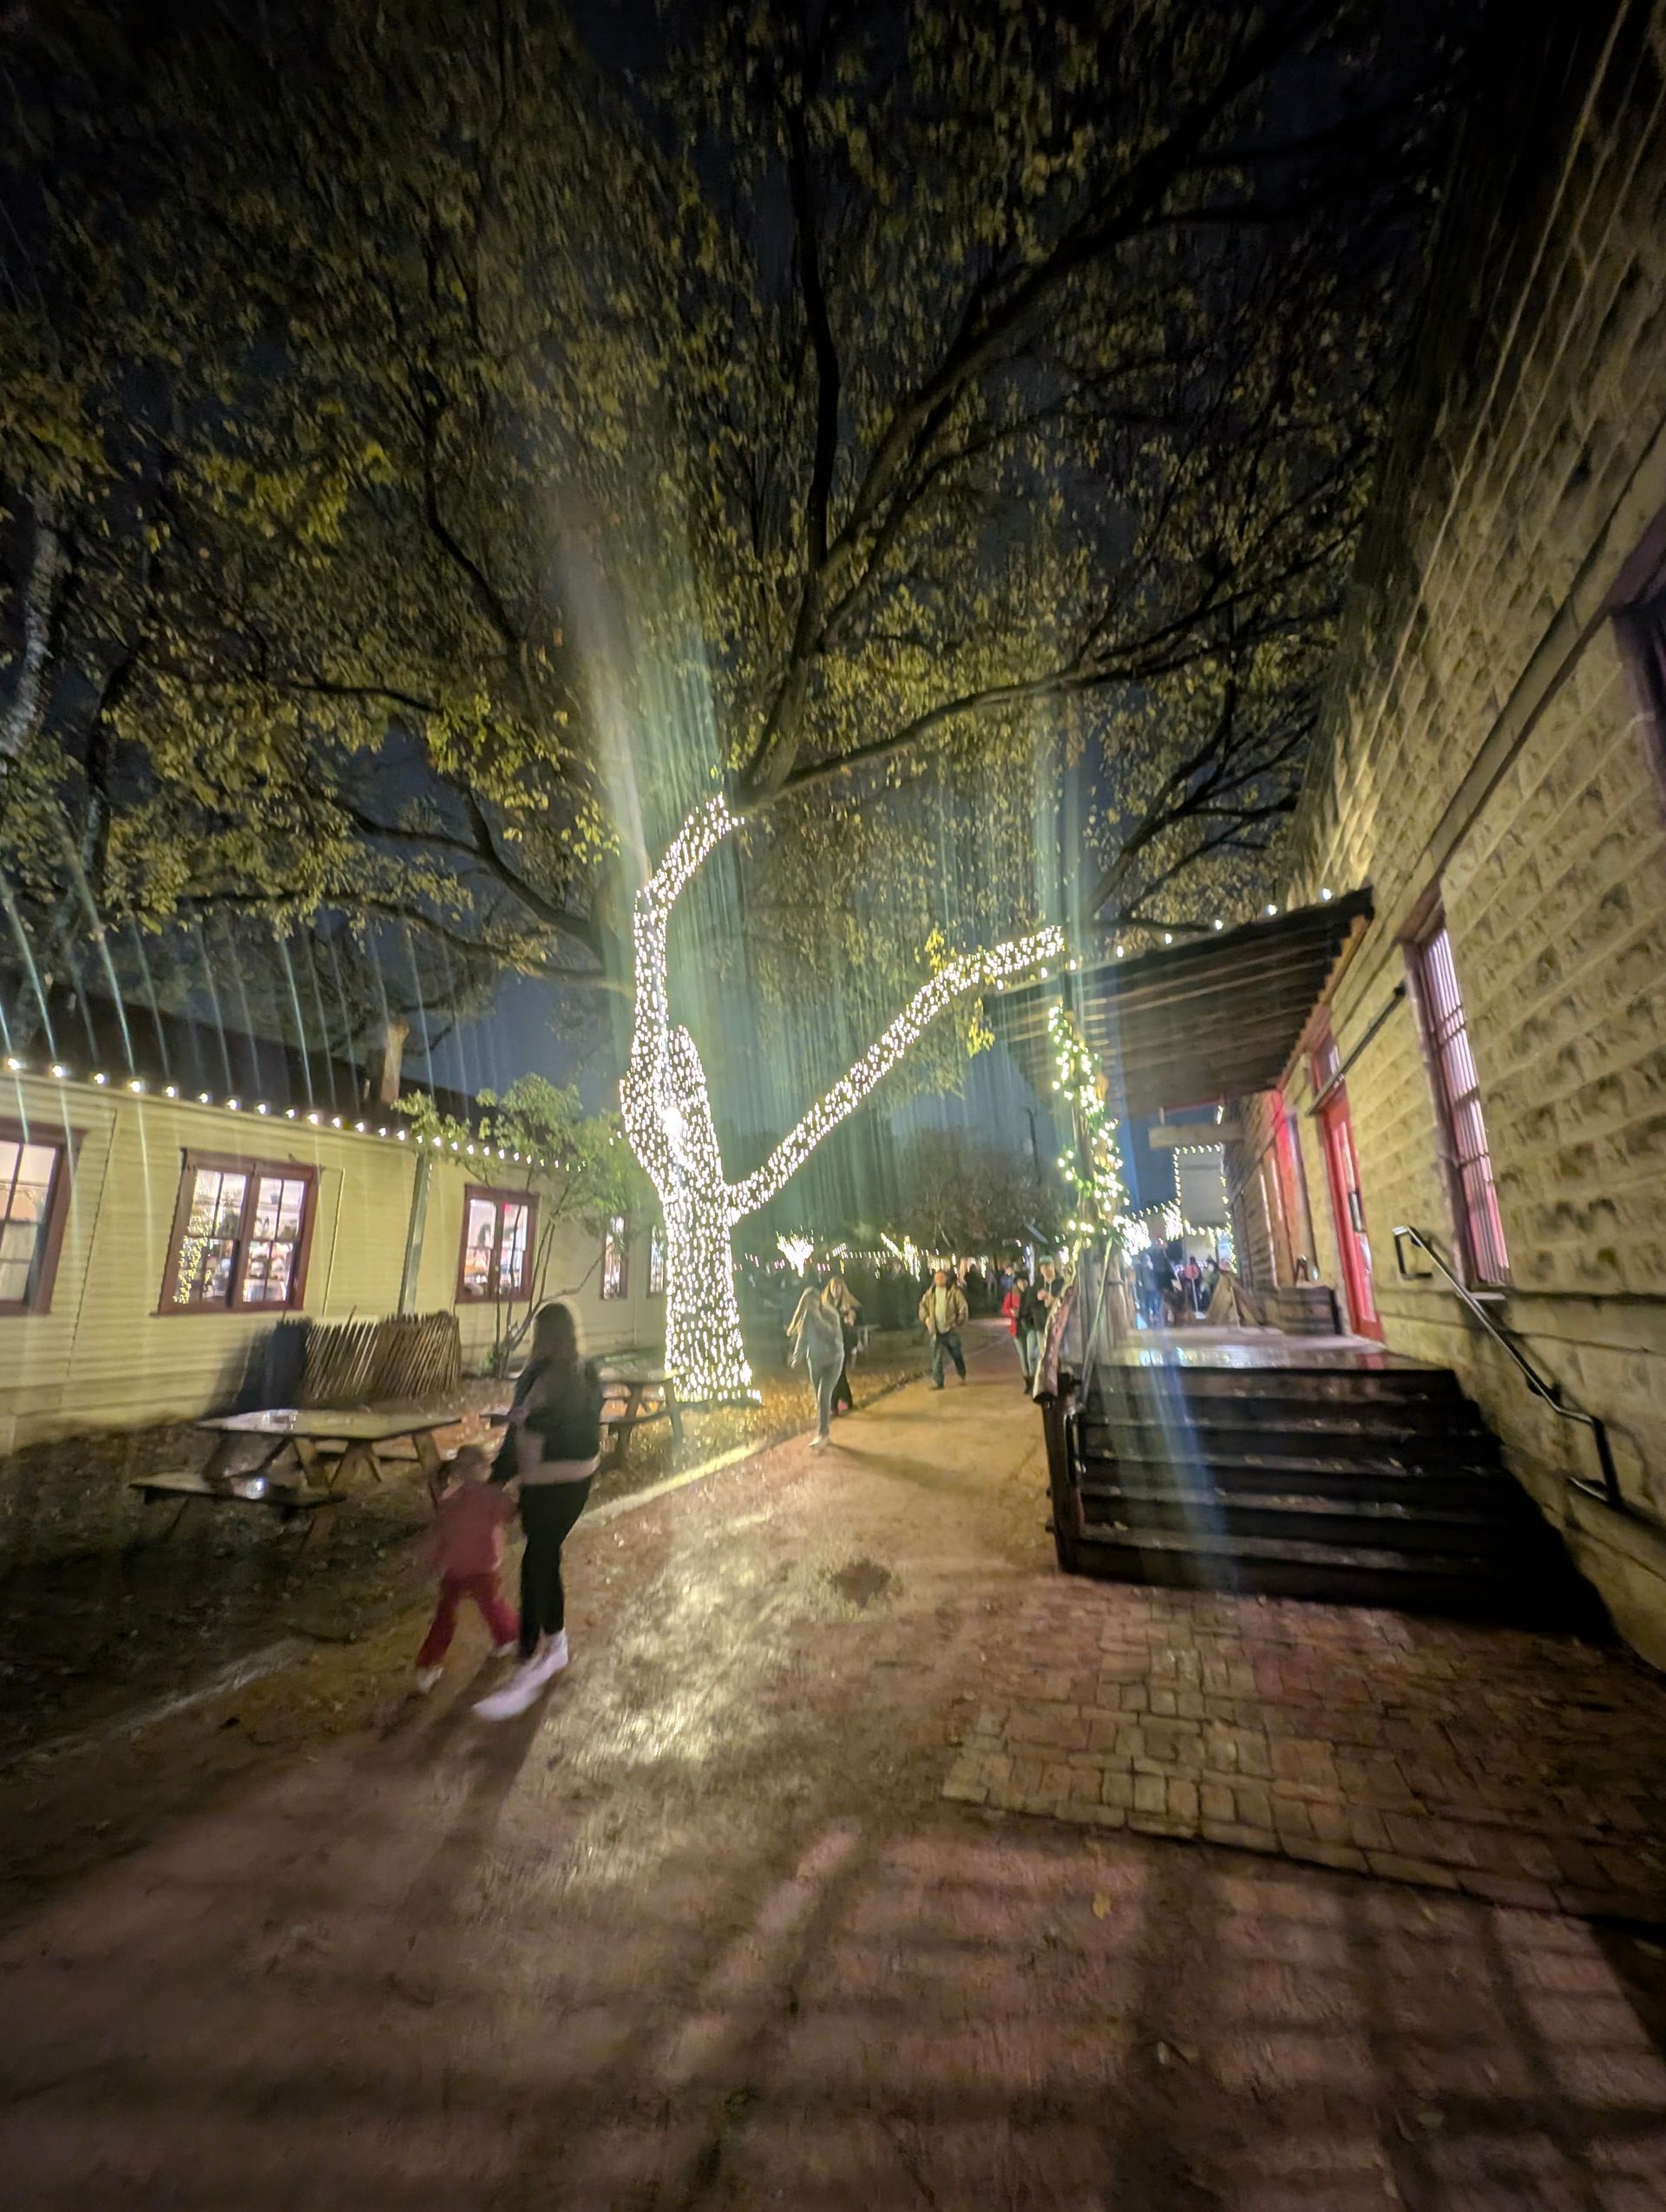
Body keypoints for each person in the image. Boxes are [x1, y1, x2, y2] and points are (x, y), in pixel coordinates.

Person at [475, 1301, 604, 1722]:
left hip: (562, 1482)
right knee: (544, 1557)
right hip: (543, 1481)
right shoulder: (536, 1374)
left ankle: (528, 1658)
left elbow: (579, 1423)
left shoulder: (581, 1375)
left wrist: (532, 1418)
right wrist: (497, 1477)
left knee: (537, 1560)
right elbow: (517, 1433)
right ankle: (557, 1642)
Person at [412, 1444, 519, 1695]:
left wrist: (433, 1563)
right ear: (484, 1468)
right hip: (483, 1566)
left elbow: (441, 1535)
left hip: (454, 1568)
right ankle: (508, 1636)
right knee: (492, 1605)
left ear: (459, 1471)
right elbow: (512, 1515)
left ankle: (430, 1664)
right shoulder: (494, 1496)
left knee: (445, 1616)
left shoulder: (449, 1498)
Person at [790, 1277, 847, 1448]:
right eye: (807, 1305)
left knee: (823, 1396)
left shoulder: (830, 1313)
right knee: (819, 1399)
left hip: (833, 1361)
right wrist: (797, 1356)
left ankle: (823, 1434)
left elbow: (832, 1335)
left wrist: (818, 1318)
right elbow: (803, 1338)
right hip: (815, 1362)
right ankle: (824, 1431)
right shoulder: (808, 1317)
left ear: (818, 1301)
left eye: (812, 1304)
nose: (810, 1308)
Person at [918, 1266, 969, 1387]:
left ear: (946, 1279)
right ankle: (939, 1382)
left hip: (950, 1329)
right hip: (936, 1331)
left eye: (942, 1277)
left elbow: (963, 1307)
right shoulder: (930, 1293)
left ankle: (962, 1374)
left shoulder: (953, 1292)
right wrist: (926, 1318)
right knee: (937, 1357)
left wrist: (959, 1321)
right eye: (937, 1277)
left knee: (956, 1354)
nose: (939, 1279)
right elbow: (922, 1307)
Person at [829, 1274, 860, 1415]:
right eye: (833, 1287)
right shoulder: (827, 1304)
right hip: (831, 1344)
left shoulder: (848, 1305)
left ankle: (833, 1405)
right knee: (839, 1374)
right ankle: (847, 1399)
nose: (835, 1290)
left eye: (838, 1287)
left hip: (844, 1343)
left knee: (837, 1373)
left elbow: (857, 1315)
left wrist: (851, 1318)